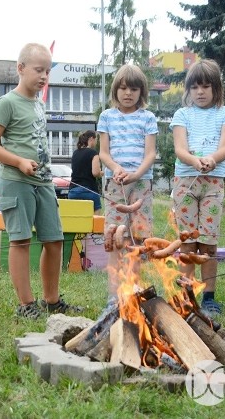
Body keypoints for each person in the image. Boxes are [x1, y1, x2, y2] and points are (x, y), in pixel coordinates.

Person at [0, 43, 81, 320]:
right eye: (39, 70)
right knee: (21, 240)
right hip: (16, 181)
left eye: (47, 72)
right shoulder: (7, 103)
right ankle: (26, 305)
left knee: (54, 239)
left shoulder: (39, 103)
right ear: (20, 68)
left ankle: (51, 301)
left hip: (43, 182)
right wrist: (19, 162)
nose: (44, 77)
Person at [169, 59, 225, 317]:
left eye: (206, 86)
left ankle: (209, 297)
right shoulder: (182, 115)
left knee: (208, 244)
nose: (200, 92)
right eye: (195, 87)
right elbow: (179, 148)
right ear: (188, 89)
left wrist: (212, 159)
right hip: (186, 181)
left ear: (216, 88)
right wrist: (195, 161)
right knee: (187, 243)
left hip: (213, 182)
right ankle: (185, 294)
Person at [98, 64, 158, 298]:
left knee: (138, 235)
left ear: (141, 92)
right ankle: (114, 294)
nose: (128, 93)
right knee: (115, 235)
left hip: (141, 182)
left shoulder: (148, 117)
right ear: (116, 90)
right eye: (123, 88)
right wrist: (117, 169)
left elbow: (151, 153)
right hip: (115, 182)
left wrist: (136, 174)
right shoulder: (107, 117)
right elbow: (103, 153)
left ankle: (133, 288)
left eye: (133, 89)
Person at [68, 130, 103, 215]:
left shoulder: (75, 153)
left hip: (73, 191)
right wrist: (101, 173)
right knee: (97, 212)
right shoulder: (93, 153)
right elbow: (95, 173)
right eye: (96, 140)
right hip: (88, 190)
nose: (96, 142)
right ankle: (94, 229)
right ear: (91, 139)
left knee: (77, 217)